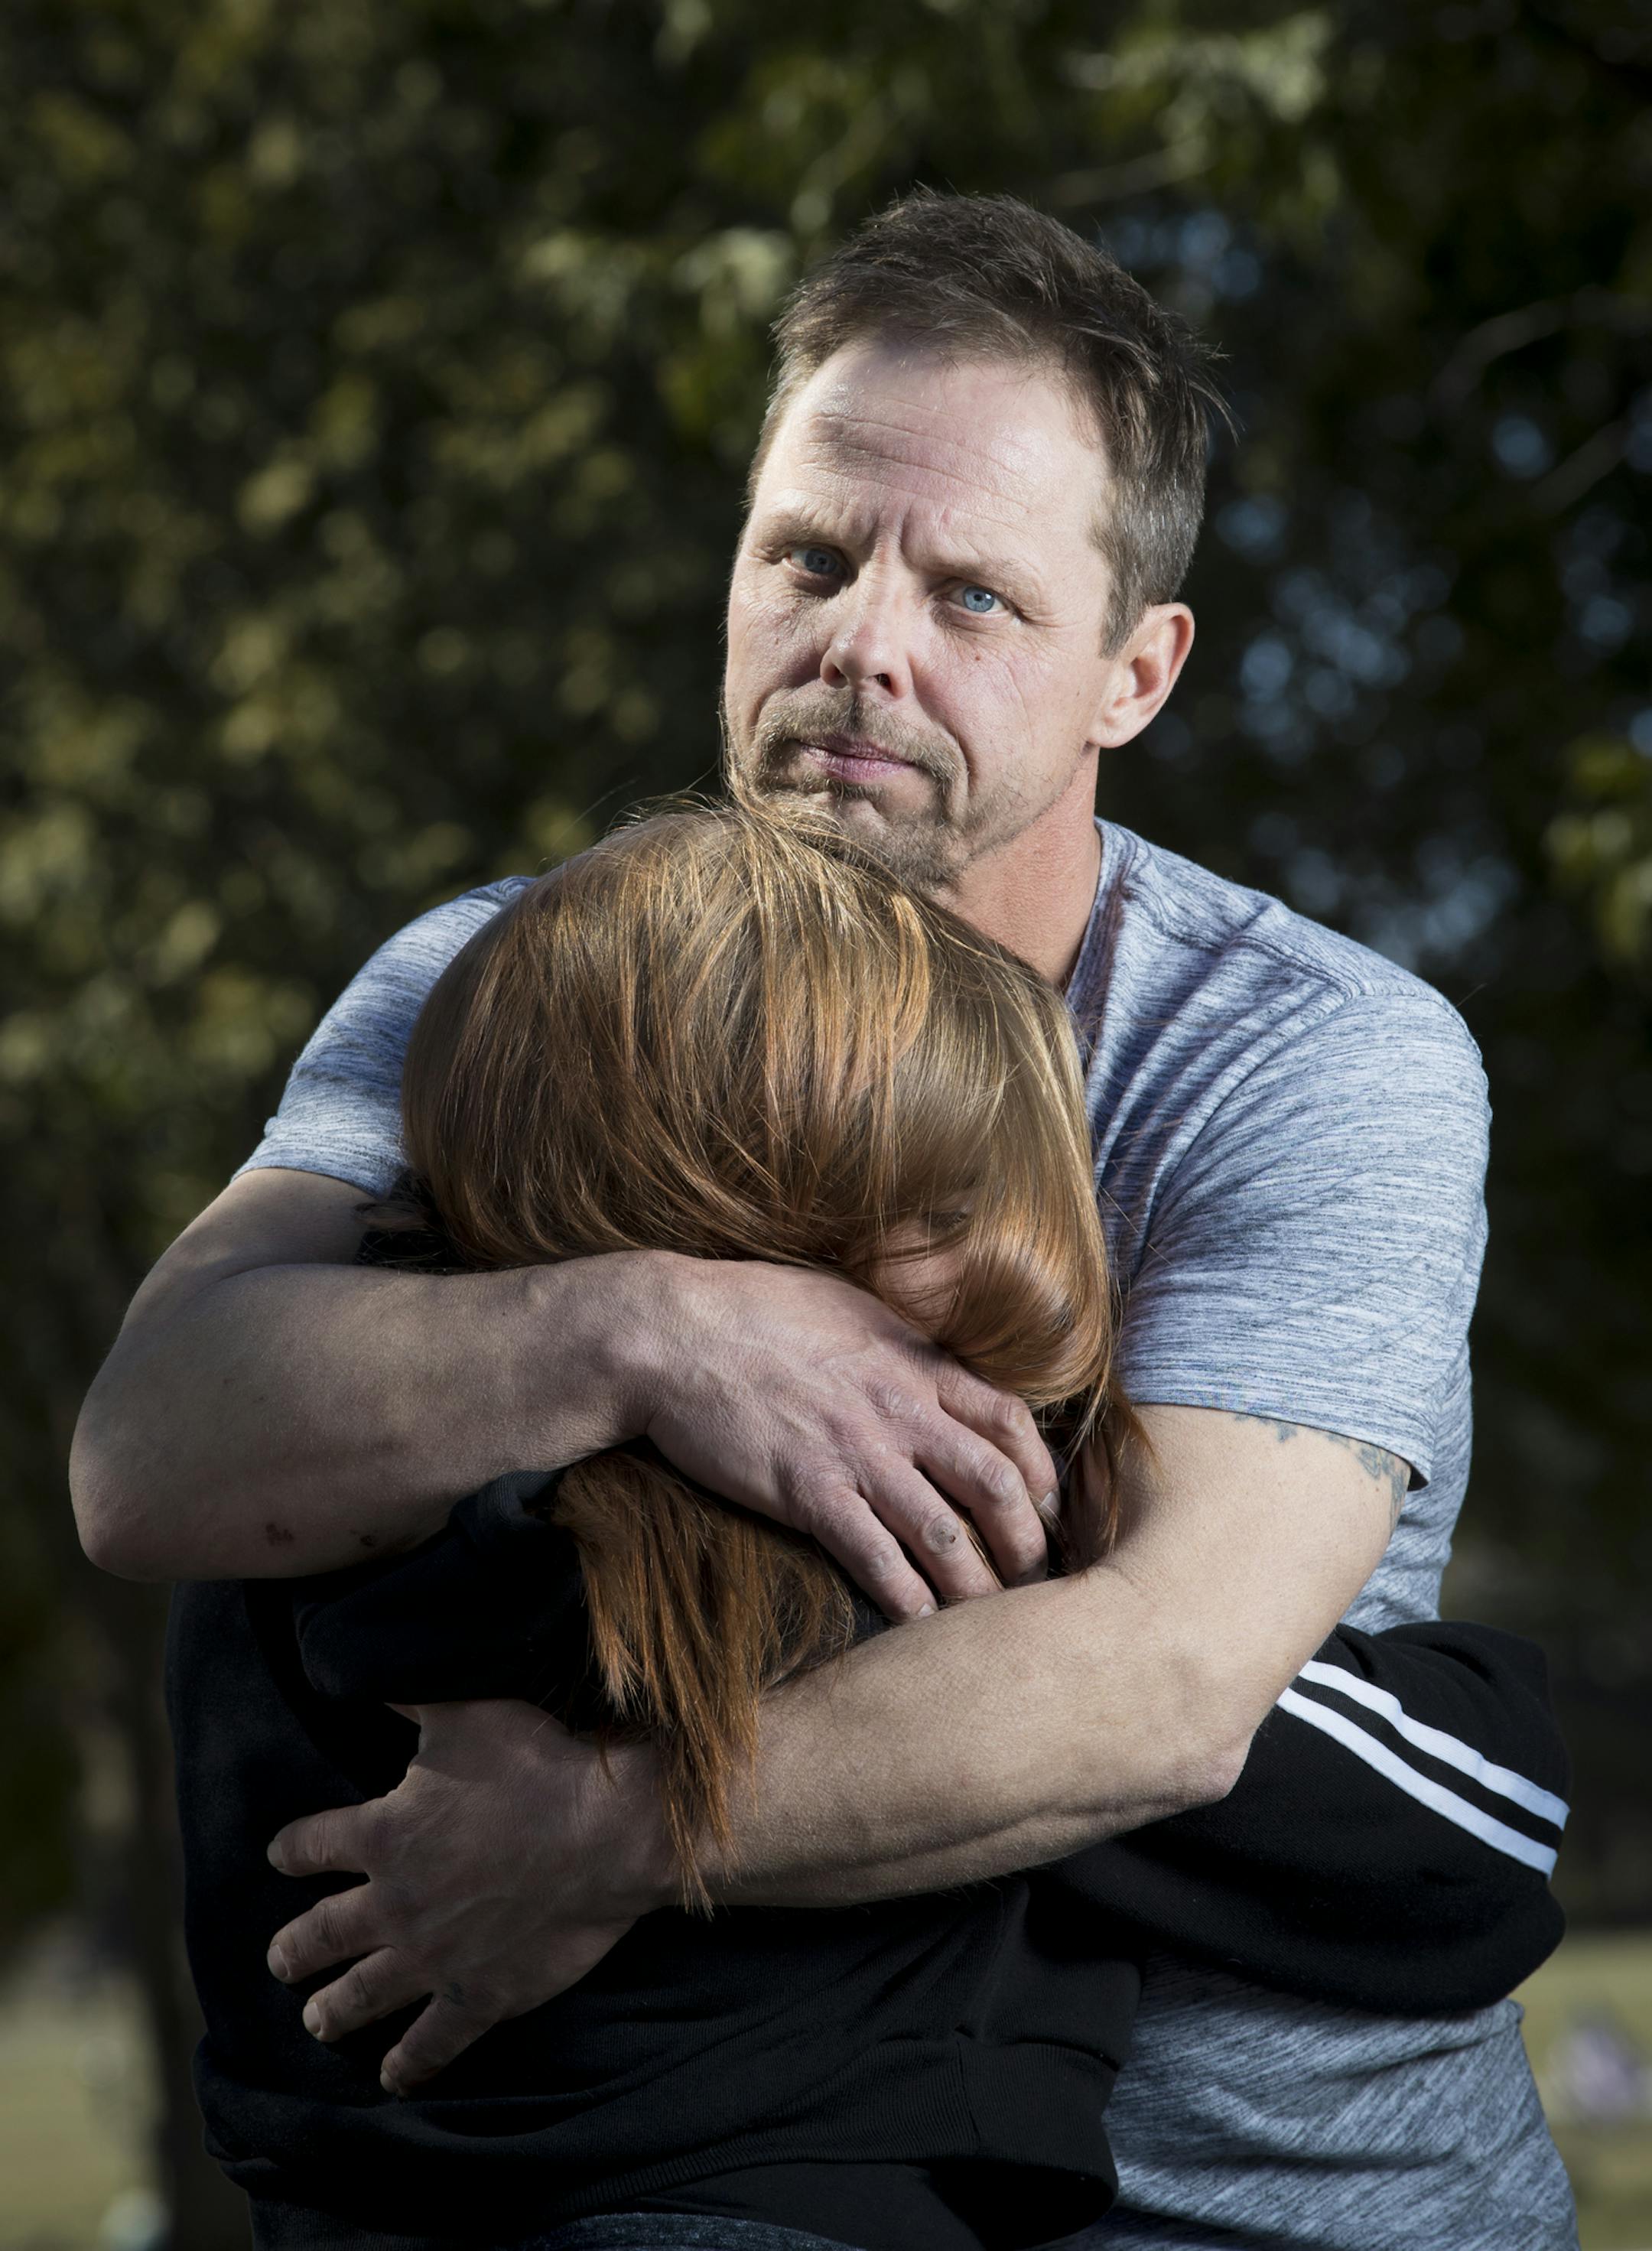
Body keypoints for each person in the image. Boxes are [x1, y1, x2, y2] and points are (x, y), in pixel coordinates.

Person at [73, 193, 1577, 2246]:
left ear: (1136, 671)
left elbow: (1162, 1675)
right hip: (722, 2173)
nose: (864, 641)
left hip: (1267, 2210)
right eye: (811, 555)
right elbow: (158, 1445)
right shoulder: (499, 981)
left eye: (973, 594)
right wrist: (650, 1332)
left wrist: (619, 1825)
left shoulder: (1309, 1059)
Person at [165, 804, 1568, 2251]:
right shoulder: (853, 1539)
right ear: (752, 1209)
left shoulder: (309, 1483)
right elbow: (1410, 1832)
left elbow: (160, 1439)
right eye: (958, 1203)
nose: (1038, 1285)